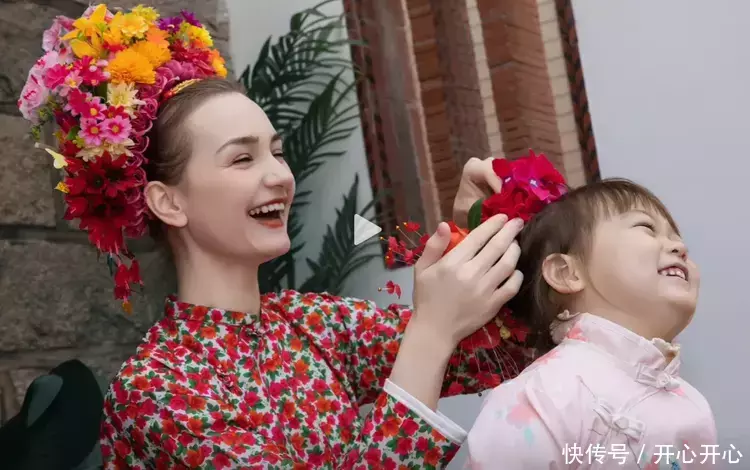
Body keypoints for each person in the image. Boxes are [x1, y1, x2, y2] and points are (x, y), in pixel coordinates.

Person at [18, 5, 528, 469]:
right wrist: (431, 333)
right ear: (169, 202)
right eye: (243, 158)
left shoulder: (314, 324)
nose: (281, 176)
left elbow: (500, 352)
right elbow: (437, 339)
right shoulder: (157, 390)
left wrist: (473, 226)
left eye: (277, 152)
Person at [466, 179, 718, 469]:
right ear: (566, 273)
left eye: (677, 237)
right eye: (646, 227)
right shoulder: (542, 396)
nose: (680, 247)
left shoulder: (692, 405)